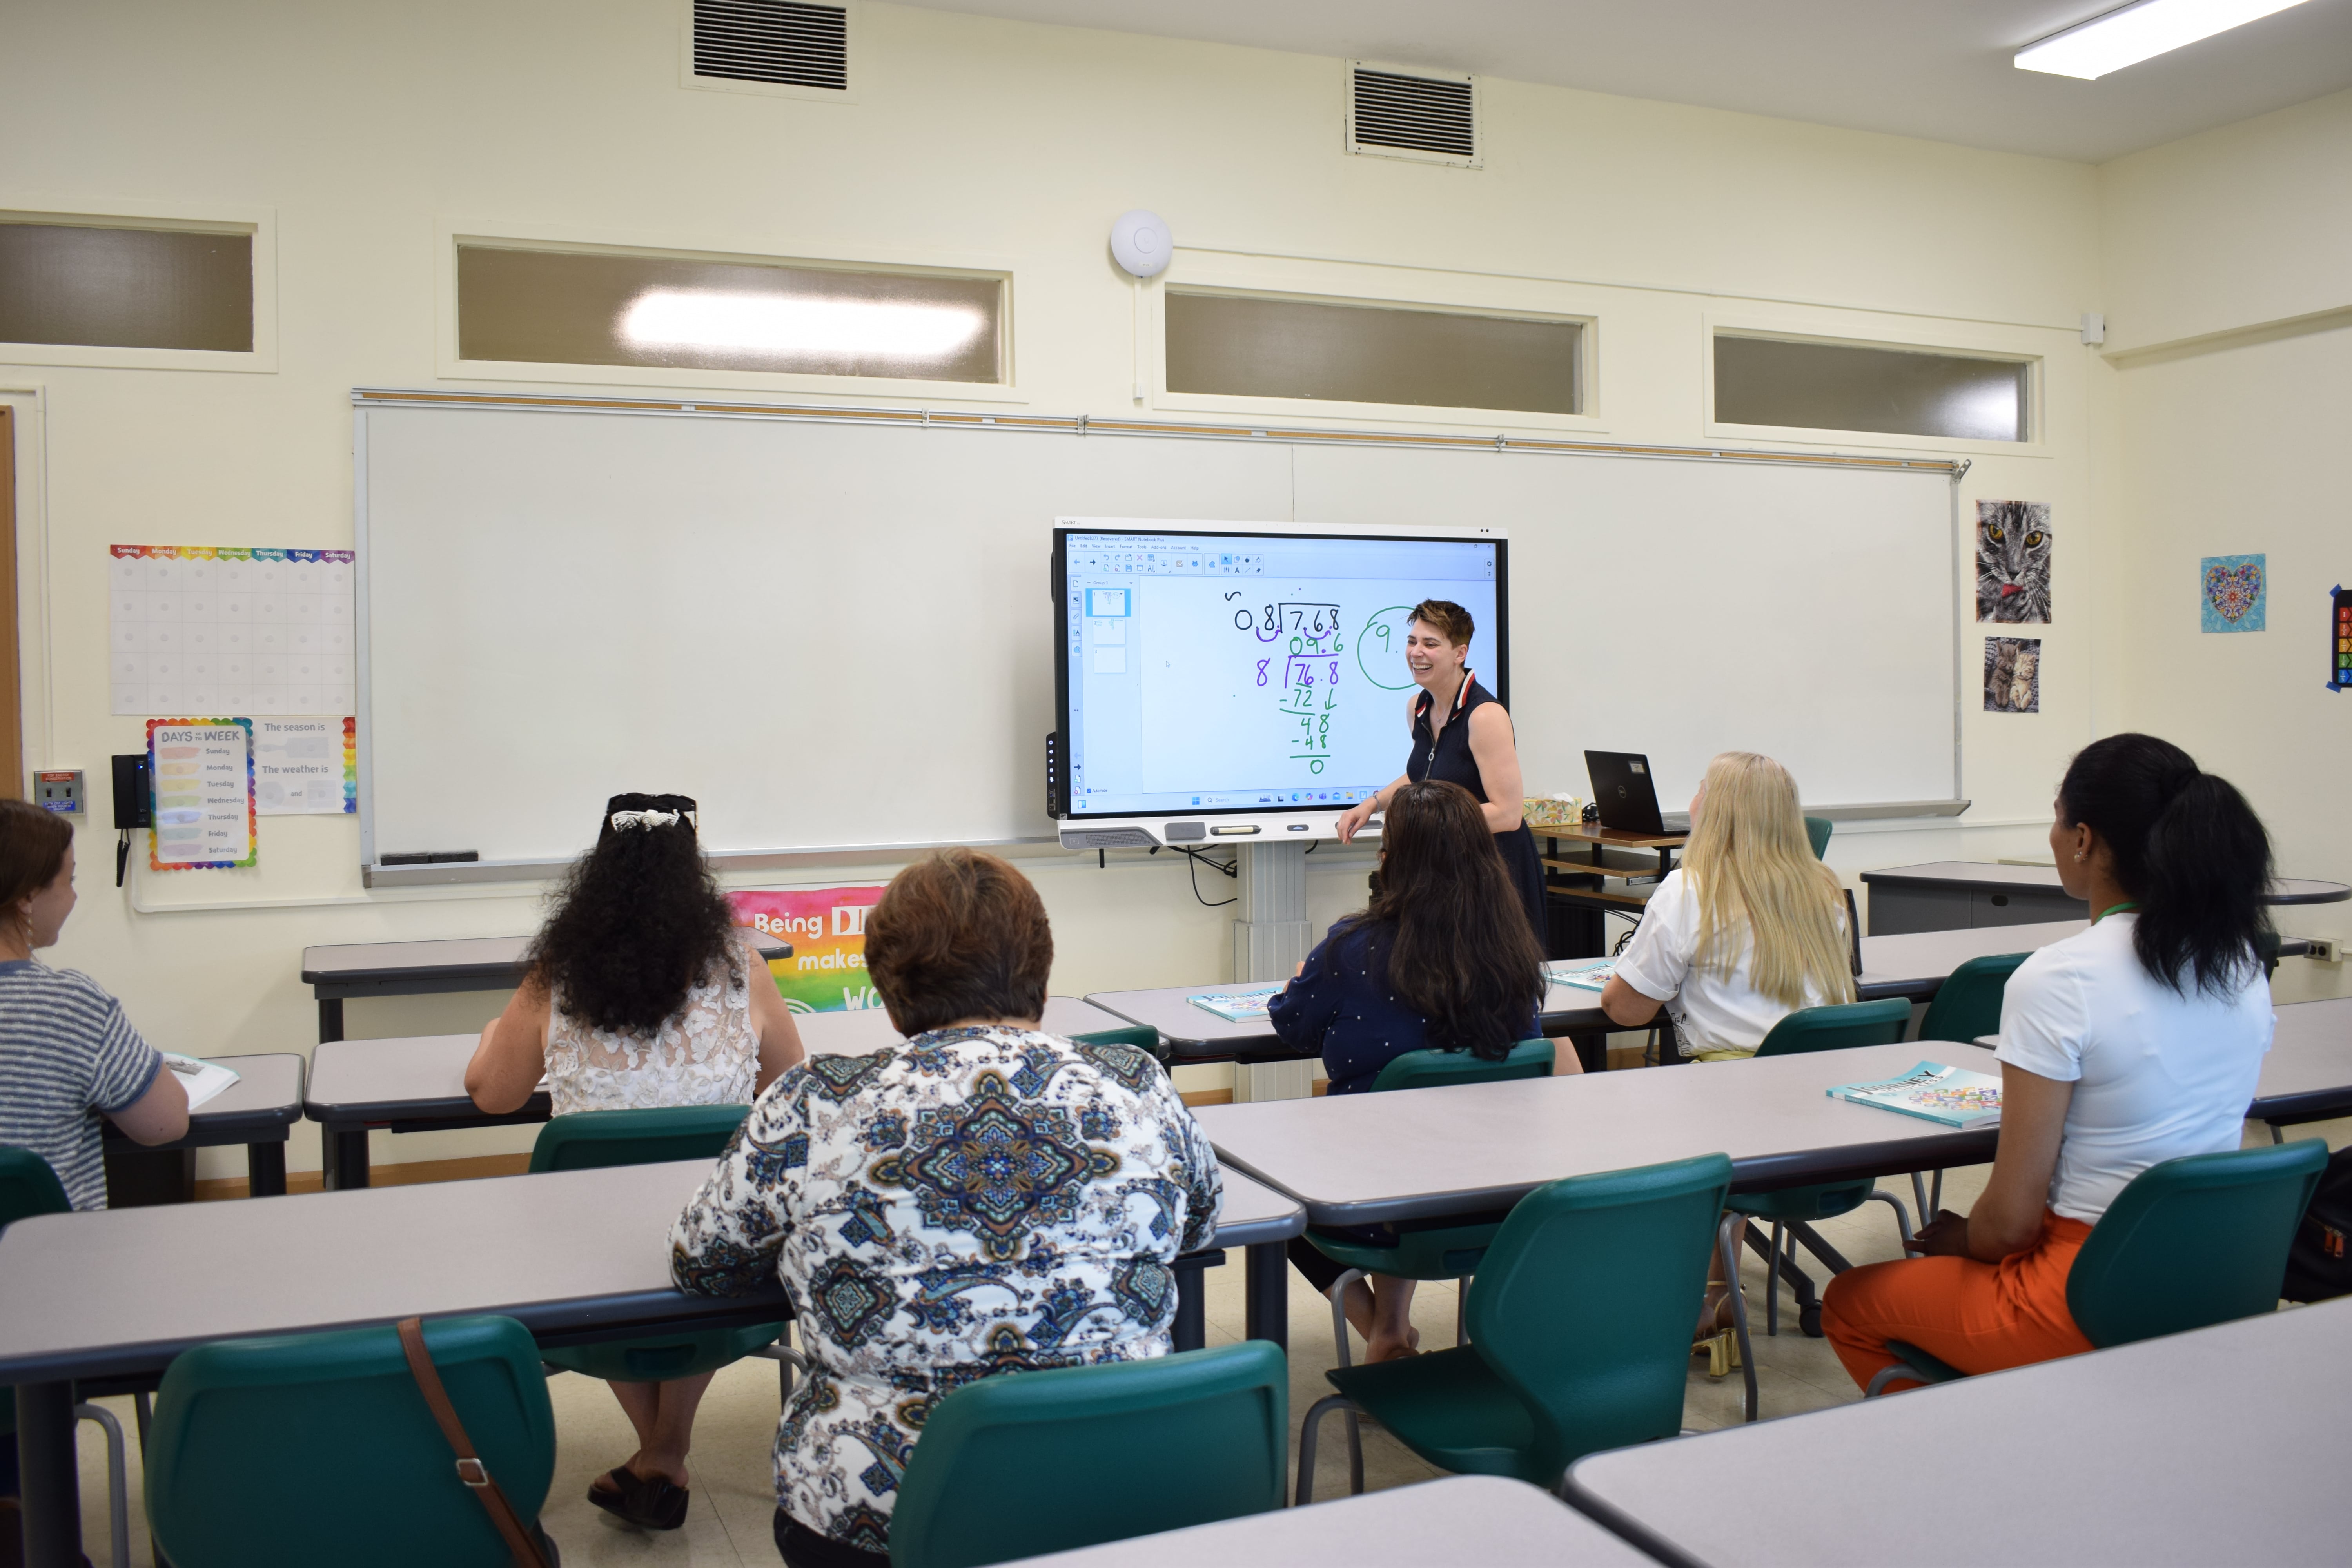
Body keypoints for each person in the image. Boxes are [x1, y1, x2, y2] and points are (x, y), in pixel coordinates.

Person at [666, 849, 1222, 1568]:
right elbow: (1201, 1224)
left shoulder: (817, 1102)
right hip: (1124, 1492)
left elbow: (702, 1262)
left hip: (883, 1516)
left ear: (886, 981)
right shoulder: (1137, 1082)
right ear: (1041, 967)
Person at [1819, 734, 2276, 1392]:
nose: (2055, 835)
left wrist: (1961, 1241)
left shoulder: (2060, 978)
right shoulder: (2238, 964)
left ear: (2084, 839)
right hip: (2216, 1277)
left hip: (2089, 1287)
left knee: (1852, 1304)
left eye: (2057, 817)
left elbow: (2008, 1228)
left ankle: (1976, 1459)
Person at [465, 792, 805, 1532]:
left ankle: (659, 1456)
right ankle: (666, 1451)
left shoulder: (556, 972)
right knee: (696, 1224)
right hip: (720, 1240)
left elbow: (493, 1095)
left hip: (582, 1250)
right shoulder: (740, 967)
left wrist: (498, 1032)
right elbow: (786, 1086)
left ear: (597, 871)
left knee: (607, 1237)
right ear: (695, 876)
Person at [1273, 778, 1556, 1363]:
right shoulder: (1511, 951)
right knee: (1418, 1132)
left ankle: (1379, 1325)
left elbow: (1293, 1027)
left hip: (1377, 1207)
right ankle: (1390, 1328)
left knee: (1268, 1187)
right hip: (1497, 1202)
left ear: (1392, 858)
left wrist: (1302, 979)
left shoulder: (1352, 950)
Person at [1597, 751, 1856, 1344]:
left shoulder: (1690, 891)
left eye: (1701, 789)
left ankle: (1684, 1300)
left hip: (1730, 1111)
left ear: (1718, 811)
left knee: (1607, 1104)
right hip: (1823, 1109)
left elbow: (1625, 1008)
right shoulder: (1824, 891)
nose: (1692, 799)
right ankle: (1717, 1292)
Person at [0, 797, 188, 1211]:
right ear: (28, 897)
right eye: (70, 880)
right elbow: (166, 1123)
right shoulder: (70, 1005)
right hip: (49, 1266)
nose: (73, 897)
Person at [1334, 599, 1548, 944]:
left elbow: (1508, 814)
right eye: (1412, 642)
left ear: (1460, 654)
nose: (1417, 652)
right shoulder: (1418, 706)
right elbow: (1425, 772)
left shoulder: (1485, 716)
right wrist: (1371, 805)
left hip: (1493, 873)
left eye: (1431, 644)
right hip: (1444, 868)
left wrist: (1426, 828)